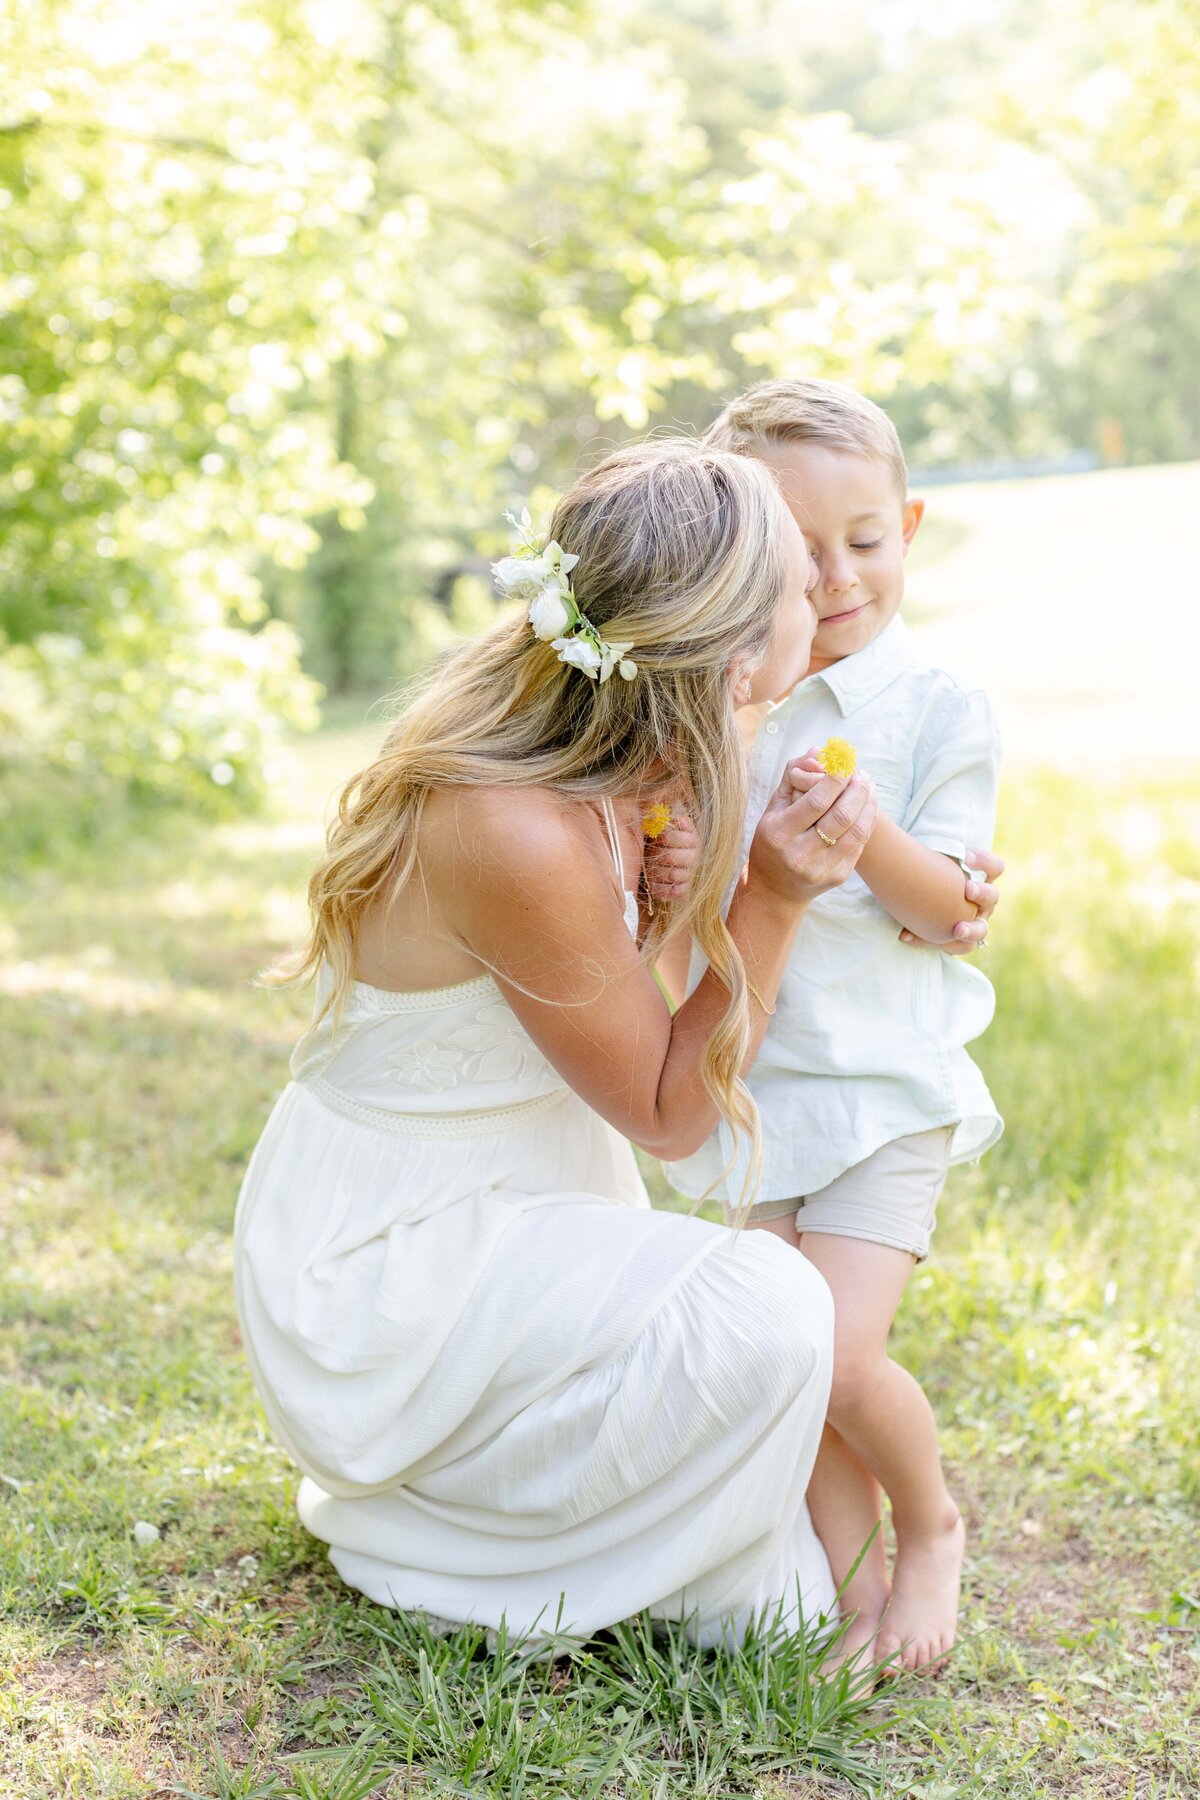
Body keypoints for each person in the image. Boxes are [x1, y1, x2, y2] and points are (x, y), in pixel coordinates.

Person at [234, 439, 886, 1650]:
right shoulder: (516, 826)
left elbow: (650, 1012)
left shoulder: (626, 761)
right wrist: (774, 899)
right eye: (802, 580)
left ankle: (567, 1515)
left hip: (511, 1199)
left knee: (768, 1482)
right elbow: (670, 1110)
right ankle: (446, 1525)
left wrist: (687, 892)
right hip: (395, 1266)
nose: (826, 598)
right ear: (740, 658)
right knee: (774, 1314)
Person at [661, 379, 1004, 1674]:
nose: (839, 575)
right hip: (757, 1093)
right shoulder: (721, 704)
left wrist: (867, 843)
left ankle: (931, 1527)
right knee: (782, 1364)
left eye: (865, 540)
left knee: (842, 1350)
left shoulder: (938, 709)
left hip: (883, 1093)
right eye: (801, 553)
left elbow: (954, 912)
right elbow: (687, 904)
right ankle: (853, 1593)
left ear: (908, 525)